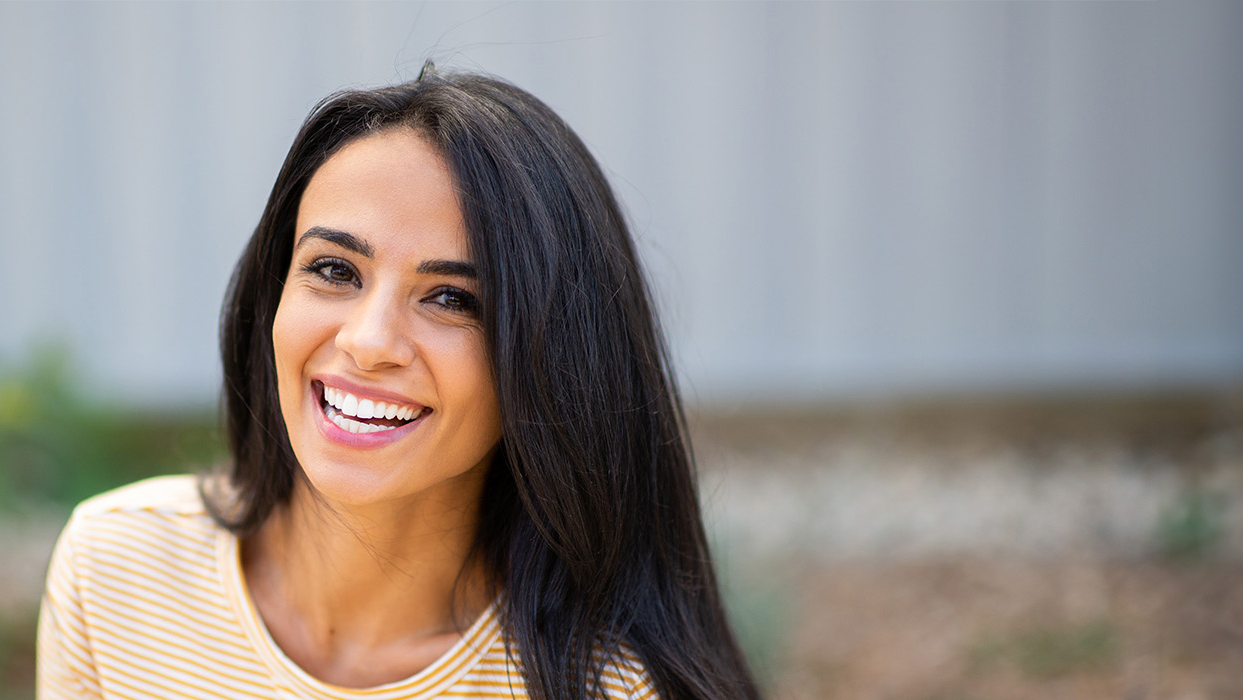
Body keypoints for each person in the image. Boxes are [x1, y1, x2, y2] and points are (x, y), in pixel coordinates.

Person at [37, 65, 761, 700]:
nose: (369, 340)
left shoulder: (610, 687)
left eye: (452, 299)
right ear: (272, 299)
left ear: (550, 368)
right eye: (333, 270)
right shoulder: (114, 572)